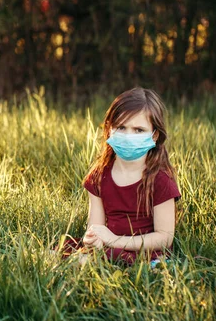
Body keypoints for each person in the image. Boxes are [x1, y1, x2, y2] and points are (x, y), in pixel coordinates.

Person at [64, 87, 181, 266]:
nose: (128, 136)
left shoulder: (161, 180)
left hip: (145, 250)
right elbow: (96, 226)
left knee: (90, 260)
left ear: (155, 135)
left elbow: (165, 238)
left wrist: (115, 240)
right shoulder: (99, 175)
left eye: (139, 130)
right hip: (109, 246)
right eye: (121, 127)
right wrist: (93, 238)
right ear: (110, 130)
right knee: (58, 250)